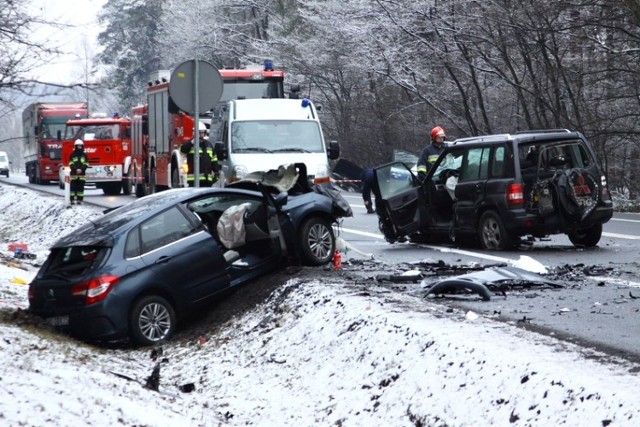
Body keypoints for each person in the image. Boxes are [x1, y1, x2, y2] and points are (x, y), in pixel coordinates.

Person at [180, 121, 219, 187]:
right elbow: (182, 150)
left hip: (207, 181)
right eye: (199, 133)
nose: (200, 135)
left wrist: (216, 173)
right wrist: (192, 142)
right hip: (193, 180)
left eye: (202, 133)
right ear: (194, 133)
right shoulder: (190, 144)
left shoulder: (208, 145)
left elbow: (214, 160)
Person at [69, 139, 89, 205]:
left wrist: (81, 169)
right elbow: (71, 164)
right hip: (74, 175)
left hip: (82, 175)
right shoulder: (72, 155)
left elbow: (86, 164)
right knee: (73, 188)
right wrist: (76, 170)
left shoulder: (84, 155)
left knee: (80, 188)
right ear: (76, 146)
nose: (79, 147)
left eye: (80, 146)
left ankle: (79, 200)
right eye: (78, 146)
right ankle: (72, 200)